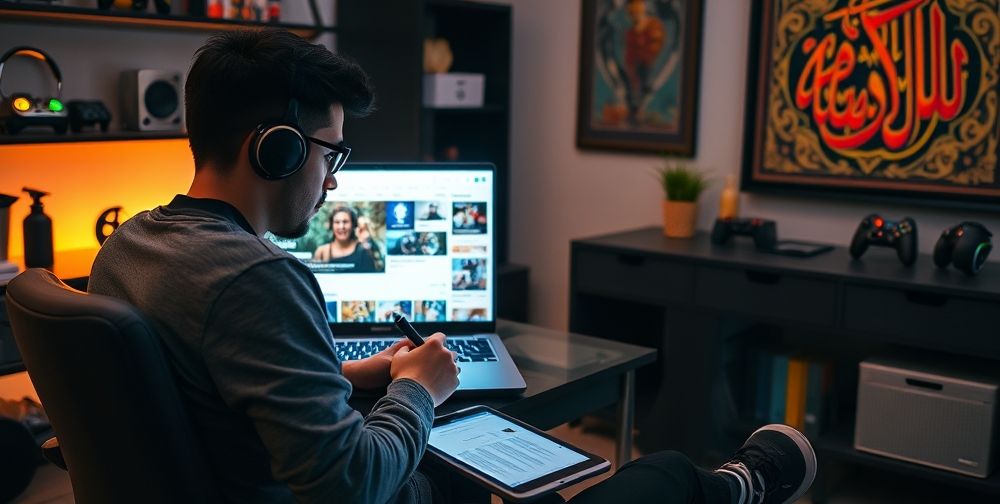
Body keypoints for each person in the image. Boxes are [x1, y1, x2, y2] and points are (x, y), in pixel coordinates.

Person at [88, 29, 815, 504]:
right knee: (653, 480)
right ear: (276, 148)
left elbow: (216, 381)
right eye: (331, 154)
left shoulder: (129, 246)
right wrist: (420, 387)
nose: (333, 180)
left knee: (479, 466)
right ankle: (738, 484)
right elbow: (350, 484)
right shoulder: (259, 279)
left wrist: (352, 373)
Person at [312, 206, 378, 272]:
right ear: (331, 225)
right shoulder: (321, 252)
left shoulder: (364, 251)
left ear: (353, 225)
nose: (341, 226)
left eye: (345, 222)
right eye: (337, 222)